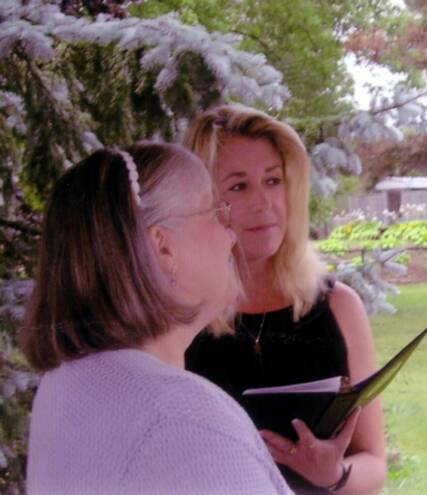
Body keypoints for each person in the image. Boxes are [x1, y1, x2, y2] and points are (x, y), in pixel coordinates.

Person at [20, 143, 291, 495]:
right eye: (215, 212)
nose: (231, 233)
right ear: (163, 249)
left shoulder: (67, 380)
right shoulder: (186, 420)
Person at [183, 104, 387, 494]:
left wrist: (334, 475)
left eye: (273, 181)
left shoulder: (340, 307)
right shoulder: (176, 316)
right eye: (239, 186)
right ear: (201, 199)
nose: (264, 203)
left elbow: (374, 465)